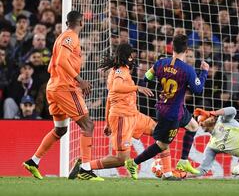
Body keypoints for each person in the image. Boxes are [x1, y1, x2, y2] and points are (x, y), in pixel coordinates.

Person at [70, 43, 201, 181]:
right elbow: (117, 87)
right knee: (122, 159)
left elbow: (110, 98)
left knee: (161, 135)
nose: (133, 58)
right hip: (122, 117)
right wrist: (137, 87)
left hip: (134, 115)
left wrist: (107, 122)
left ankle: (168, 173)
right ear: (126, 56)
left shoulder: (122, 70)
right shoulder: (119, 71)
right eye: (131, 55)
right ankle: (85, 167)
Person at [23, 11, 96, 180]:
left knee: (61, 128)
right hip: (65, 88)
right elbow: (60, 61)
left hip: (54, 87)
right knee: (88, 126)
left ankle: (33, 161)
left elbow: (54, 63)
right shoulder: (71, 37)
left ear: (66, 22)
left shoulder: (62, 37)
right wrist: (80, 80)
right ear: (81, 22)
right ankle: (85, 169)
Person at [124, 34, 209, 180]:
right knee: (162, 145)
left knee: (194, 126)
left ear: (172, 48)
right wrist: (204, 72)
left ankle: (183, 161)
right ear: (187, 50)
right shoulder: (187, 70)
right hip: (171, 114)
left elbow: (146, 79)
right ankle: (133, 163)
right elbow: (198, 90)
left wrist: (147, 89)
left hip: (171, 108)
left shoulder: (160, 63)